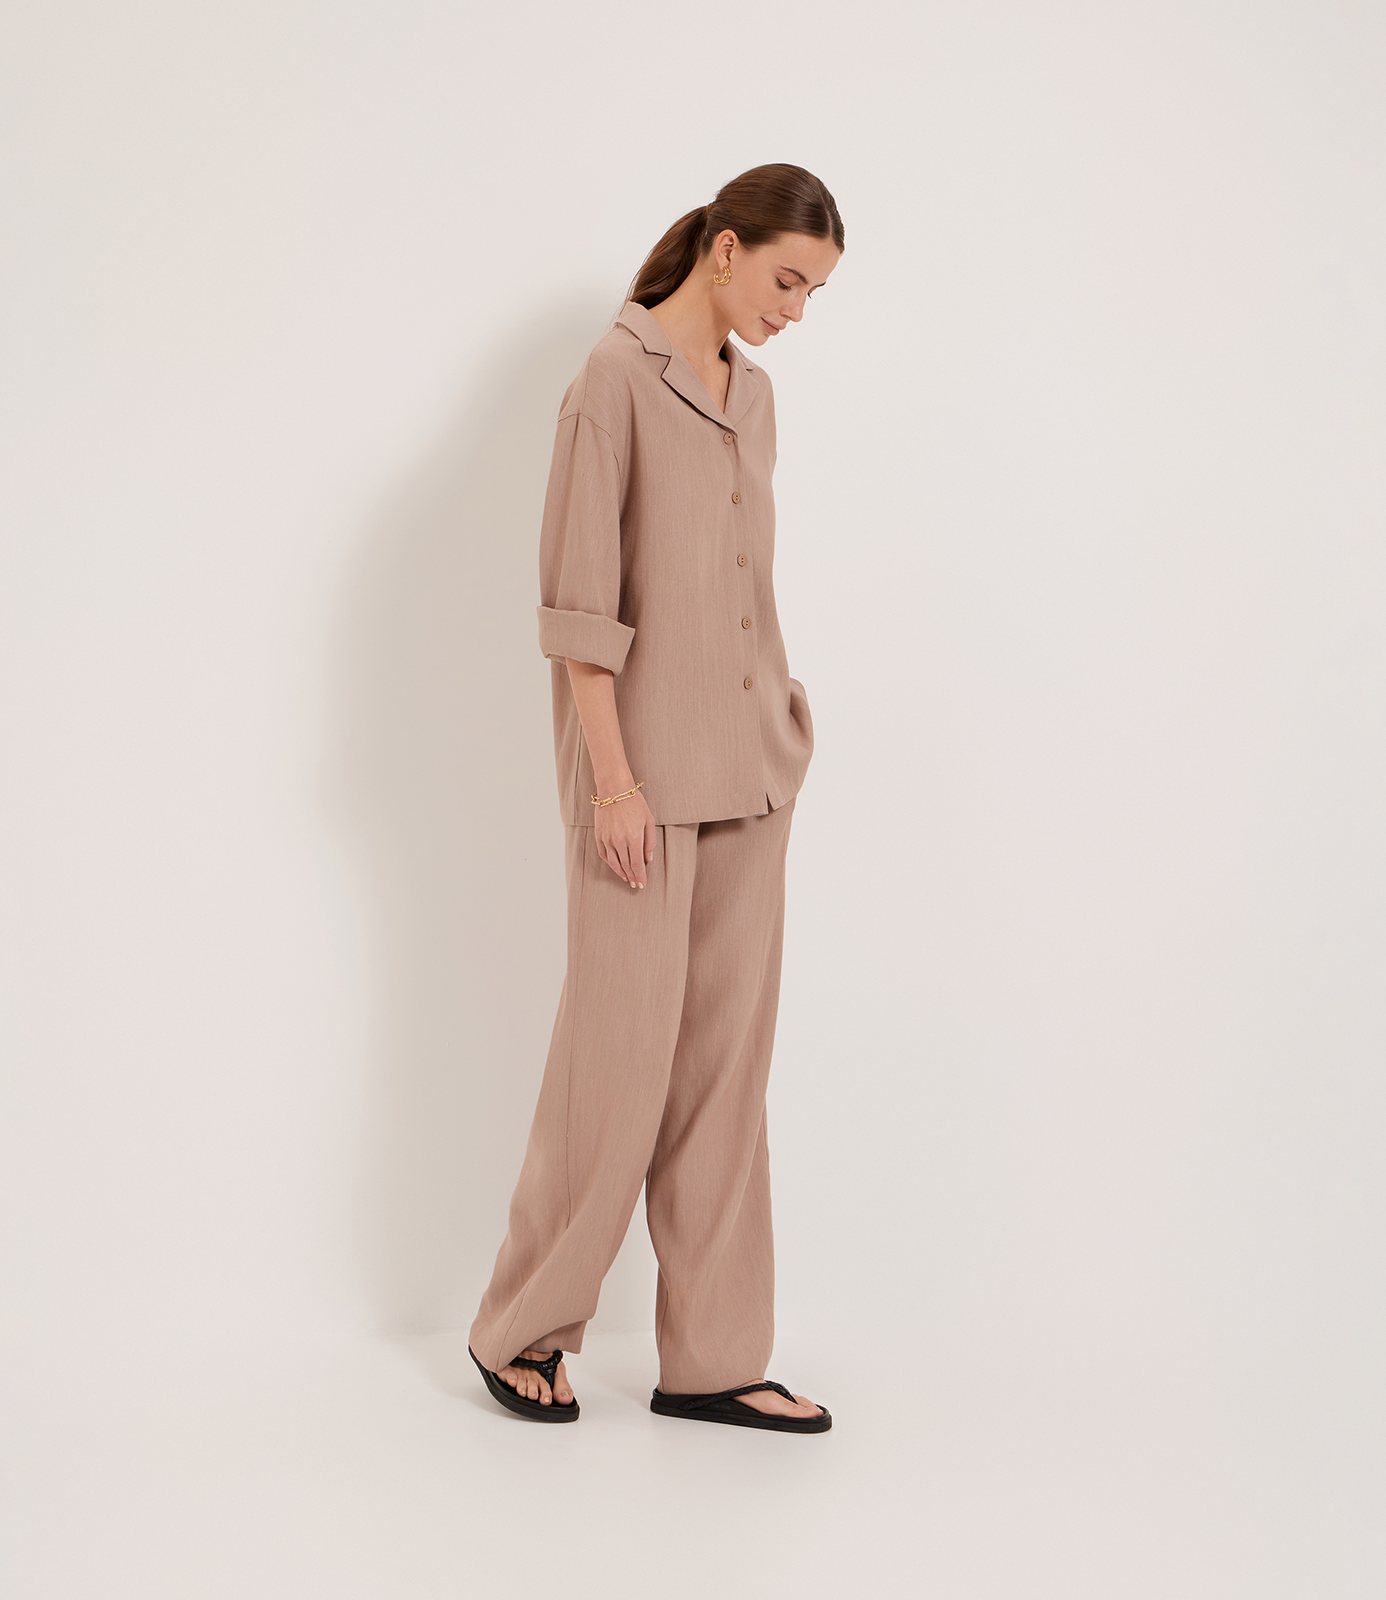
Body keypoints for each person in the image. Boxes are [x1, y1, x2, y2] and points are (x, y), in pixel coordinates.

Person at [467, 164, 844, 1433]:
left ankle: (715, 1358)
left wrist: (784, 723)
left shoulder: (757, 397)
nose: (796, 310)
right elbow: (579, 610)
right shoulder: (612, 383)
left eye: (815, 291)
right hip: (641, 784)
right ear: (725, 249)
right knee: (615, 1071)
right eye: (787, 280)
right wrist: (613, 784)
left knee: (726, 1081)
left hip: (751, 776)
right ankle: (522, 1328)